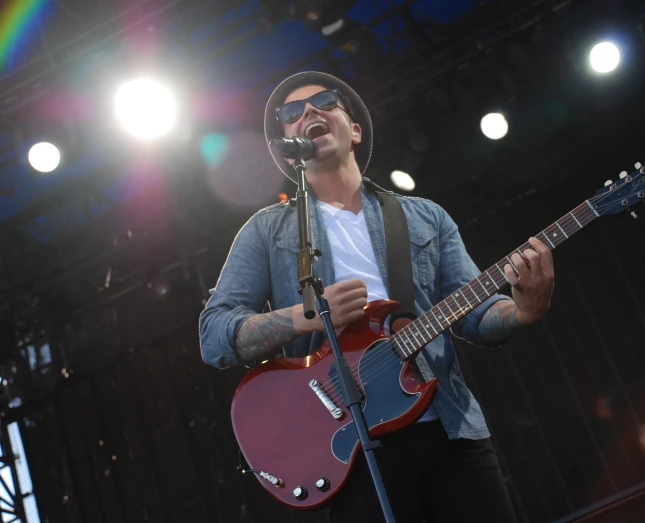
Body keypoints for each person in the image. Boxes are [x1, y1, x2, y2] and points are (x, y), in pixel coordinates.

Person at [199, 71, 555, 523]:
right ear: (285, 148)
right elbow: (214, 337)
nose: (308, 112)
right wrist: (307, 315)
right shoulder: (265, 232)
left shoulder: (424, 217)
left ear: (355, 129)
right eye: (291, 113)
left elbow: (478, 316)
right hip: (351, 450)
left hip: (449, 430)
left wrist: (524, 310)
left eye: (325, 101)